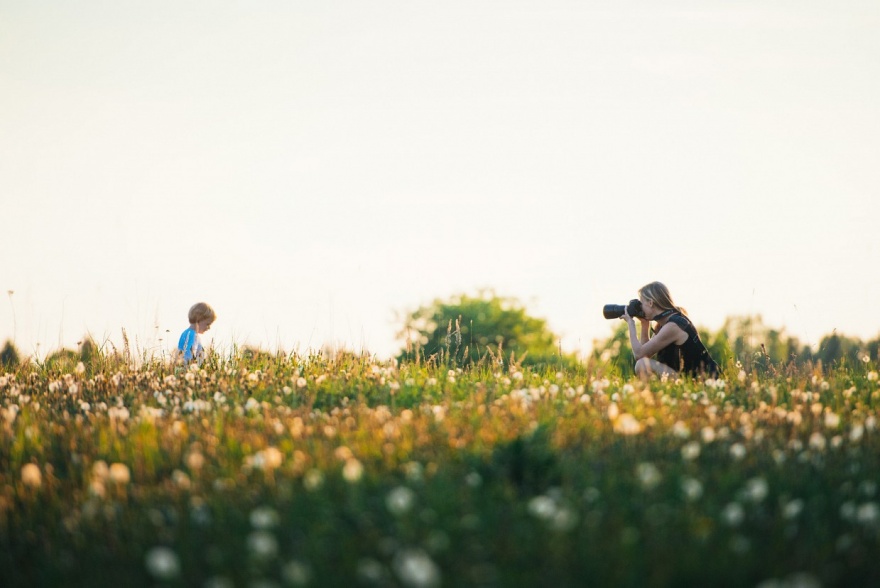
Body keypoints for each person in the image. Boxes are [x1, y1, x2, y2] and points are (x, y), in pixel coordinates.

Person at [620, 282, 719, 379]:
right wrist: (644, 325)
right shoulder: (666, 324)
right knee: (642, 363)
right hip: (687, 377)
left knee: (641, 365)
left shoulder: (673, 326)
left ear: (650, 303)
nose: (640, 308)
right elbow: (645, 354)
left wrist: (630, 323)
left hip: (704, 380)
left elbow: (639, 355)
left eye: (641, 304)